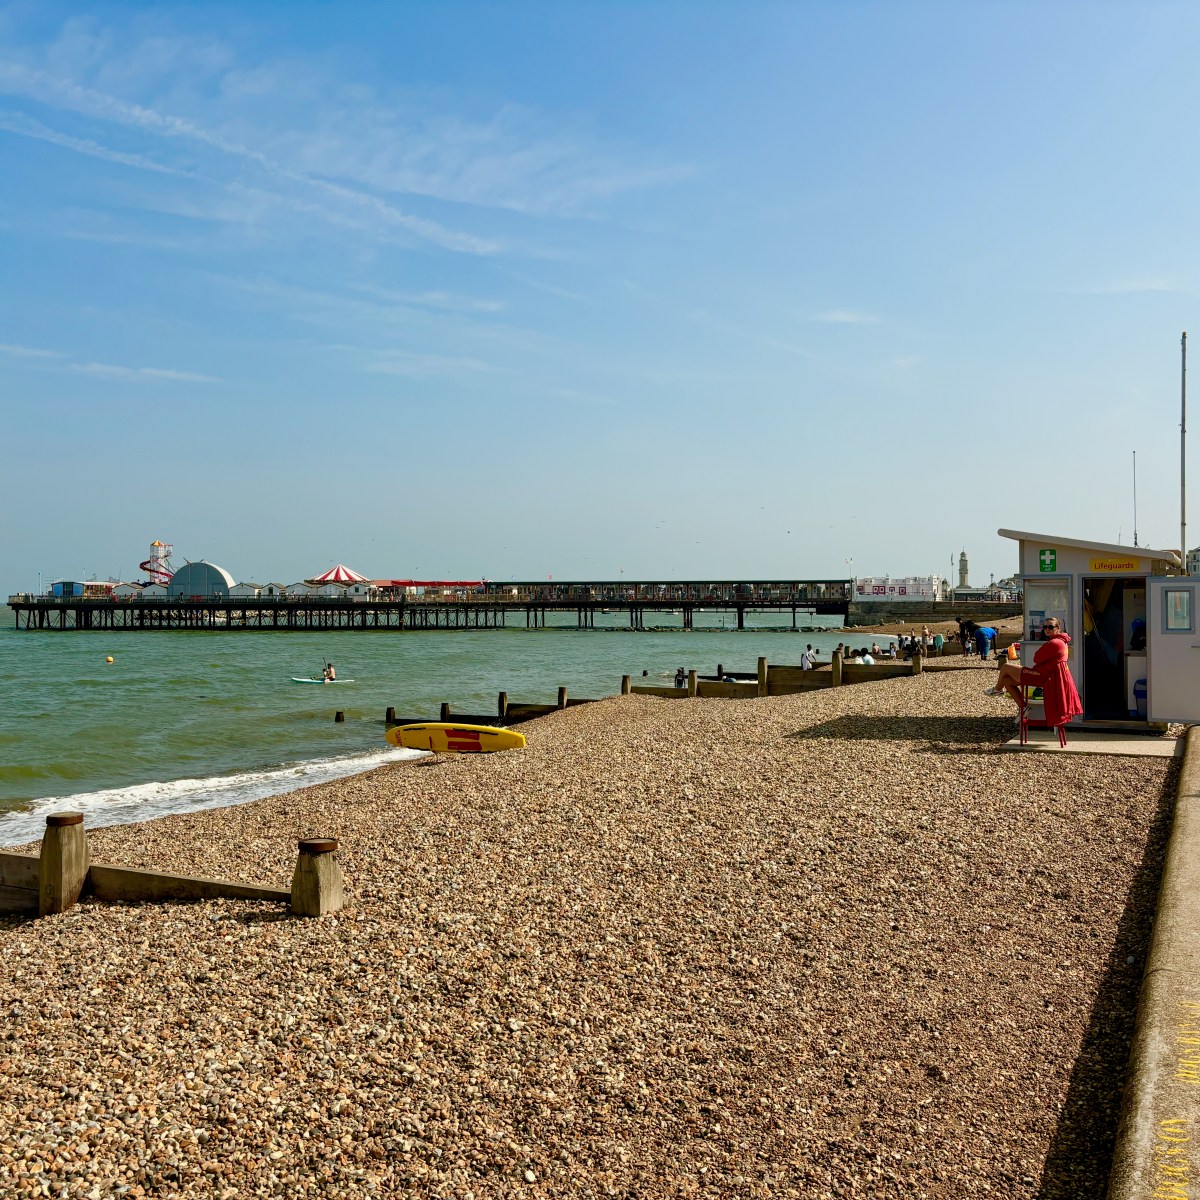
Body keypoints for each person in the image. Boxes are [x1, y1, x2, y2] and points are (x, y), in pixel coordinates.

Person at [988, 617, 1083, 728]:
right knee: (1006, 680)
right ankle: (1023, 707)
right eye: (1045, 627)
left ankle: (997, 690)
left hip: (1042, 677)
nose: (1047, 629)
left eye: (1051, 627)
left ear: (1058, 628)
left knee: (1005, 667)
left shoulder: (1054, 643)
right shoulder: (1062, 642)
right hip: (1046, 676)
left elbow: (1037, 658)